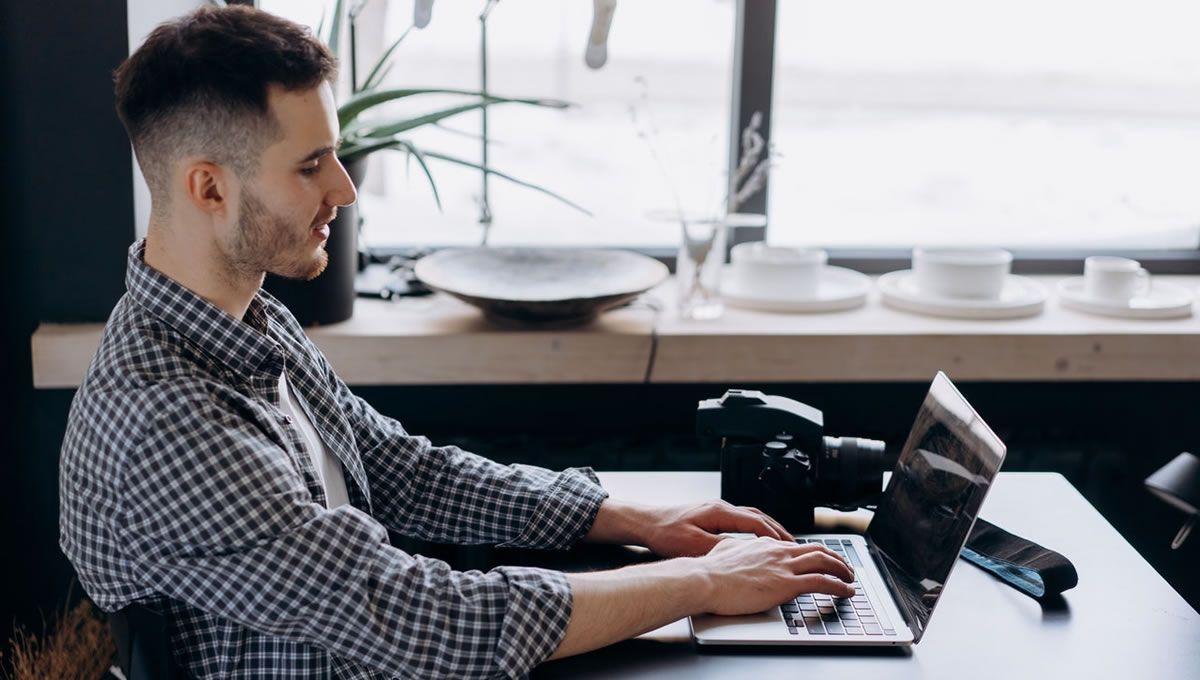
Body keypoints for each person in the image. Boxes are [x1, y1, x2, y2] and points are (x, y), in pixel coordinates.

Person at [58, 6, 855, 679]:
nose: (345, 187)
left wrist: (634, 520)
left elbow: (401, 471)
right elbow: (425, 619)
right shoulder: (169, 421)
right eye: (310, 166)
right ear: (209, 187)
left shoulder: (241, 322)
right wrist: (699, 581)